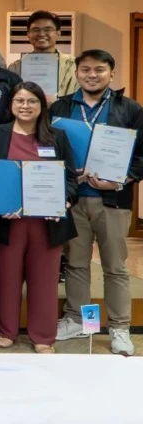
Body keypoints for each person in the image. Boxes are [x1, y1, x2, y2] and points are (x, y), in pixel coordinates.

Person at [50, 49, 143, 356]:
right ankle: (79, 320)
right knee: (76, 264)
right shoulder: (61, 107)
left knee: (114, 267)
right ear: (76, 73)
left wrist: (122, 178)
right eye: (86, 69)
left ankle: (119, 328)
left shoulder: (129, 108)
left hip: (112, 200)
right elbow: (47, 148)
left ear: (111, 74)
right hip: (74, 199)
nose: (92, 75)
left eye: (99, 70)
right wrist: (64, 172)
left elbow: (142, 155)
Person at [0, 82, 78, 353]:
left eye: (31, 101)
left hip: (46, 224)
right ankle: (7, 331)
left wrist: (64, 201)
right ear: (10, 105)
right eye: (19, 101)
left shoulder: (56, 136)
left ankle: (42, 336)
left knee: (44, 280)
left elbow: (71, 179)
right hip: (9, 221)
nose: (25, 106)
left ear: (42, 106)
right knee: (6, 277)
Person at [9, 9, 76, 99]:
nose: (41, 34)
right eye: (36, 30)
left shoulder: (73, 65)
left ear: (58, 33)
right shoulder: (15, 67)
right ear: (28, 34)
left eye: (47, 29)